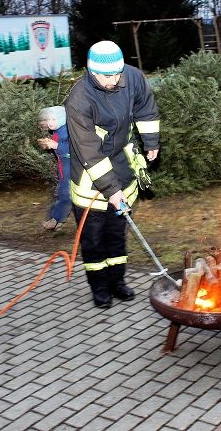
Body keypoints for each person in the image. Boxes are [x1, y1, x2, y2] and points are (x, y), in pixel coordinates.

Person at [65, 40, 160, 308]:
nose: (115, 80)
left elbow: (146, 108)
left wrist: (151, 142)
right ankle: (100, 288)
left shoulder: (132, 77)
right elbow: (89, 151)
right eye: (107, 76)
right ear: (91, 71)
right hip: (90, 176)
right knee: (94, 240)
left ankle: (118, 282)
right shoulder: (79, 99)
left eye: (118, 73)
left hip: (122, 165)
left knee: (117, 234)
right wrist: (111, 191)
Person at [37, 106, 71, 231]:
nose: (49, 123)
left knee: (65, 193)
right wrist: (49, 146)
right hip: (63, 168)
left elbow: (74, 148)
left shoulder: (68, 130)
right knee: (63, 192)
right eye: (48, 119)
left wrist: (56, 145)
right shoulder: (57, 131)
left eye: (53, 119)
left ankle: (56, 219)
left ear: (62, 119)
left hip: (70, 168)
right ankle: (58, 220)